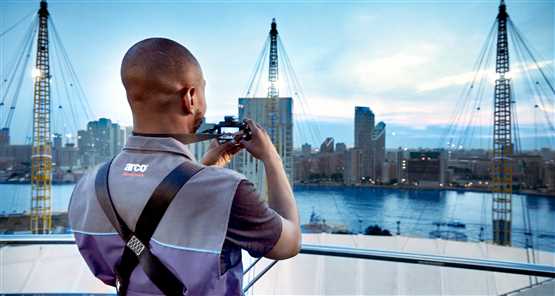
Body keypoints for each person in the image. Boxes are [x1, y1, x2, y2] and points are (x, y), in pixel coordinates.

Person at [68, 37, 301, 296]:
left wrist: (201, 169)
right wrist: (272, 158)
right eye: (202, 90)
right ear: (190, 97)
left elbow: (148, 210)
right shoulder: (226, 190)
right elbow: (288, 243)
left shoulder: (89, 185)